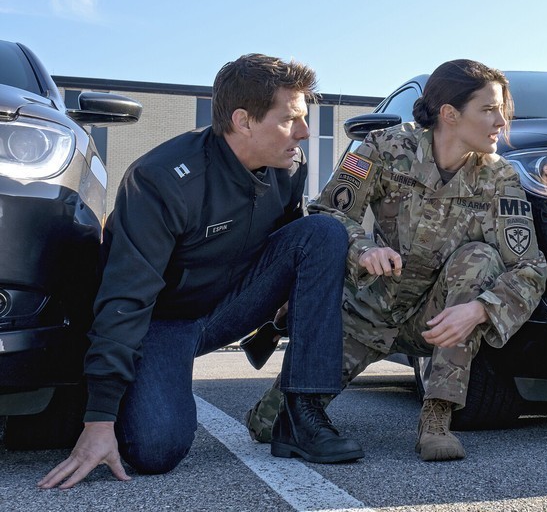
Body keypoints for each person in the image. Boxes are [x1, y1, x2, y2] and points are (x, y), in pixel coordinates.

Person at [39, 54, 362, 490]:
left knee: (322, 232)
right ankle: (117, 388)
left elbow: (290, 240)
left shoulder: (289, 165)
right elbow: (125, 297)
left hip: (229, 306)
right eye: (291, 120)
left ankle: (301, 418)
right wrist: (100, 417)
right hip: (162, 322)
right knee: (156, 451)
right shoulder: (161, 180)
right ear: (244, 121)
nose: (304, 133)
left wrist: (290, 304)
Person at [246, 59, 547, 461]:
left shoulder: (500, 178)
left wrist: (479, 309)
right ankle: (282, 344)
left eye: (503, 110)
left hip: (435, 318)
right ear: (449, 114)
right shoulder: (383, 147)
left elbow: (529, 267)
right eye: (490, 109)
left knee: (480, 257)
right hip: (366, 309)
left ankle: (436, 418)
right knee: (268, 427)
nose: (502, 121)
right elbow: (328, 214)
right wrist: (363, 249)